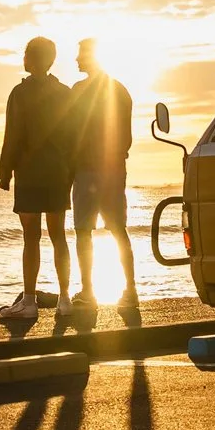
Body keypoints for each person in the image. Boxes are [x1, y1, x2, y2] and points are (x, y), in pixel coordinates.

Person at [0, 35, 74, 323]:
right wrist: (70, 170)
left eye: (26, 53)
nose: (23, 58)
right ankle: (65, 298)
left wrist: (5, 171)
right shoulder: (64, 92)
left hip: (29, 171)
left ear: (32, 58)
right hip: (56, 171)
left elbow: (13, 134)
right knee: (58, 237)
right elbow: (73, 136)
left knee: (31, 237)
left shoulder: (20, 93)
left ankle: (29, 301)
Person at [68, 38, 137, 310]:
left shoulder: (79, 91)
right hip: (114, 169)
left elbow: (71, 133)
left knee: (83, 230)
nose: (76, 59)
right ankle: (130, 289)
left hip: (87, 169)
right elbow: (127, 138)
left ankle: (88, 292)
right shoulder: (121, 90)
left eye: (80, 54)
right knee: (119, 229)